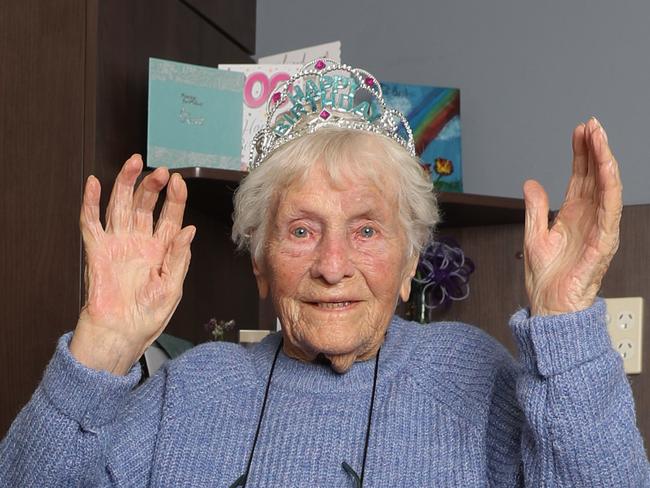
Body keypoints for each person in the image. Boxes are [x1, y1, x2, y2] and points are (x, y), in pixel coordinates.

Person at [1, 59, 649, 487]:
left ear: (408, 262)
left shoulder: (473, 377)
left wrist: (564, 323)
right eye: (301, 230)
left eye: (366, 230)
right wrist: (102, 350)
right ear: (259, 264)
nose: (332, 266)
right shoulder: (190, 391)